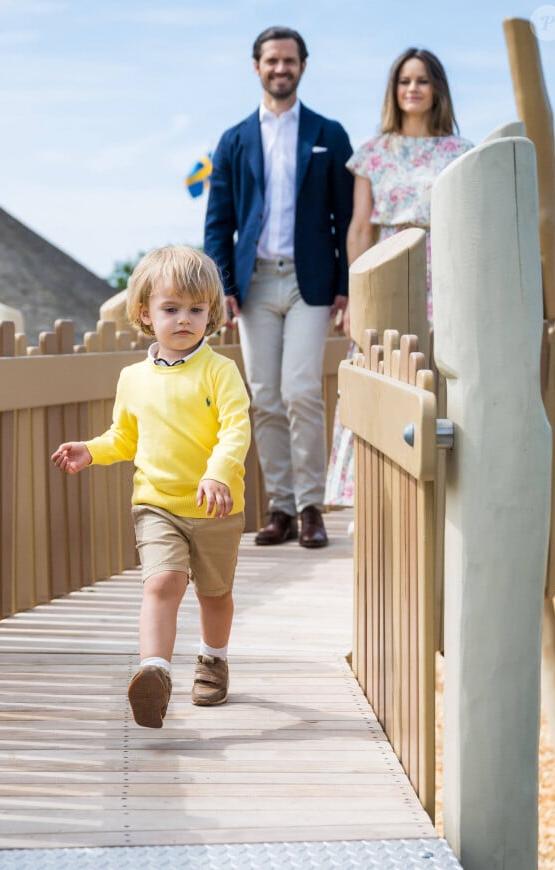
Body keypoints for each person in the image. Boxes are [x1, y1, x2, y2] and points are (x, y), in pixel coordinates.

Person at [51, 246, 251, 729]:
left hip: (215, 506)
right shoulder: (133, 378)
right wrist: (92, 450)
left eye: (196, 310)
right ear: (144, 312)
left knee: (215, 594)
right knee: (162, 583)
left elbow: (236, 428)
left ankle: (213, 660)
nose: (185, 320)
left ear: (211, 314)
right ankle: (155, 671)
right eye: (171, 309)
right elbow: (125, 436)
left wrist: (217, 472)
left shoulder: (220, 371)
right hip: (156, 504)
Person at [204, 26, 353, 549]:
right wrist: (222, 284)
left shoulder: (329, 134)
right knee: (263, 397)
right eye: (271, 61)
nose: (280, 68)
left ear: (303, 67)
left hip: (311, 281)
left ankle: (313, 507)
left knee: (301, 390)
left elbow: (348, 216)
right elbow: (218, 221)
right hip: (254, 284)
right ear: (257, 66)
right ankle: (281, 509)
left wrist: (346, 285)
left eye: (289, 60)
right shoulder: (234, 139)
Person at [325, 47, 472, 507]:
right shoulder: (373, 152)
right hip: (386, 269)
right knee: (378, 370)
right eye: (404, 81)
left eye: (423, 81)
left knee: (435, 373)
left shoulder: (461, 153)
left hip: (442, 274)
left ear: (437, 89)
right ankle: (368, 493)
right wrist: (355, 293)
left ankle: (441, 491)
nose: (413, 89)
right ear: (394, 90)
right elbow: (359, 227)